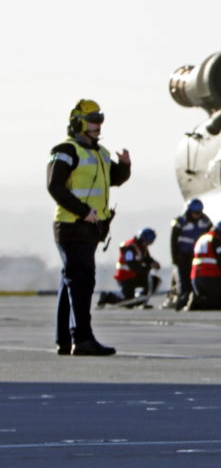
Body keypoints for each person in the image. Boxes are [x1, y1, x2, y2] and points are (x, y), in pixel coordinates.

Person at [47, 99, 131, 356]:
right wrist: (83, 212)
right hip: (72, 226)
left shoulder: (100, 152)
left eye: (100, 121)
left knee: (70, 281)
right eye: (93, 121)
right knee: (81, 281)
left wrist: (125, 166)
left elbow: (114, 179)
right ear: (78, 123)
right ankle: (82, 338)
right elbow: (55, 186)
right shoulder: (65, 150)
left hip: (91, 229)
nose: (98, 126)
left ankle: (65, 339)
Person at [98, 228, 160, 309]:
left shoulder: (142, 247)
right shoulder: (130, 247)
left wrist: (153, 263)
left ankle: (141, 300)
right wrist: (147, 268)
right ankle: (106, 297)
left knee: (154, 280)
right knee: (128, 302)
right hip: (125, 277)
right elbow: (131, 265)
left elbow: (147, 259)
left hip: (135, 275)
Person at [169, 198, 213, 310]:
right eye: (195, 213)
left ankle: (196, 300)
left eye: (199, 212)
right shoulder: (180, 221)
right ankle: (183, 300)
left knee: (197, 279)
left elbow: (210, 235)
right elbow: (173, 241)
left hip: (197, 256)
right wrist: (175, 257)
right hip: (183, 255)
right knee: (185, 280)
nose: (197, 215)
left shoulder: (205, 221)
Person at [188, 220, 221, 310]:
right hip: (208, 276)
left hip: (195, 277)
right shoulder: (216, 239)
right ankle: (195, 301)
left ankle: (198, 297)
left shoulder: (202, 238)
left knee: (217, 303)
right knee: (220, 305)